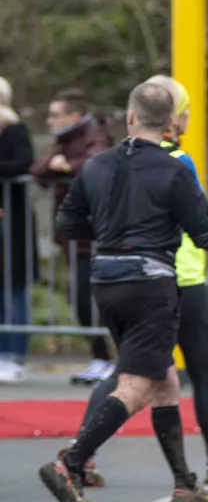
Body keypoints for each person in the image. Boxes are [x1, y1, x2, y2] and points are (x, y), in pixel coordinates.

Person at [38, 81, 208, 502]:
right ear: (170, 123)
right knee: (139, 384)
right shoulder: (175, 170)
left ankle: (185, 486)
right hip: (150, 284)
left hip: (105, 281)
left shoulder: (96, 165)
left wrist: (109, 234)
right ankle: (70, 462)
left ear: (130, 117)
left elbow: (67, 223)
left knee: (165, 378)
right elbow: (205, 234)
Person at [30, 88, 116, 385]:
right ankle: (101, 358)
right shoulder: (65, 141)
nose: (50, 120)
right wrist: (56, 166)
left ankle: (112, 359)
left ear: (74, 115)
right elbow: (38, 167)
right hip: (74, 236)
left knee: (96, 298)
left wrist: (67, 167)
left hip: (95, 234)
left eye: (56, 115)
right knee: (79, 297)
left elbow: (96, 164)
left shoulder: (94, 135)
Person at [0, 77, 35, 384]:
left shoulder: (16, 131)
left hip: (13, 223)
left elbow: (23, 163)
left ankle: (15, 355)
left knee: (15, 290)